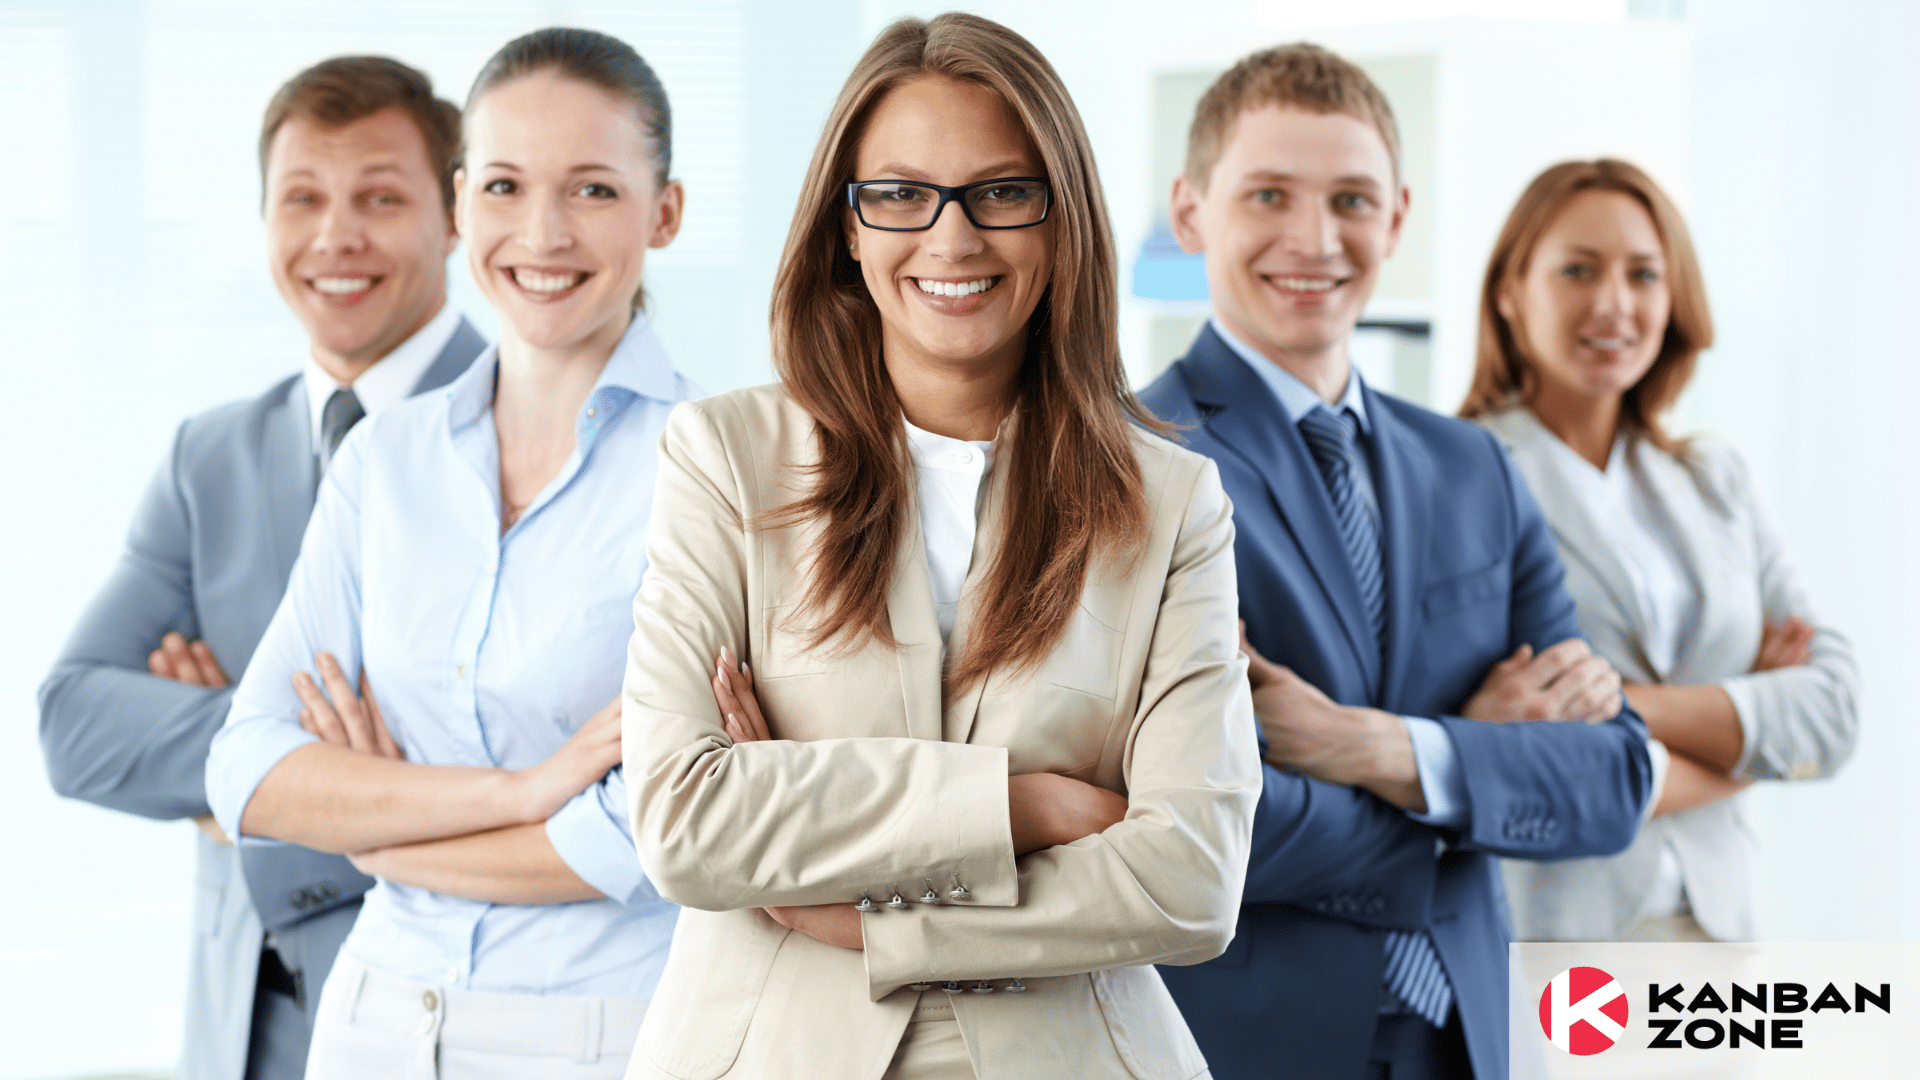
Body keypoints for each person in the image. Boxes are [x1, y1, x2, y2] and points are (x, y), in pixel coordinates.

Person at [619, 13, 1258, 1080]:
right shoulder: (725, 457)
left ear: (1061, 223)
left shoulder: (1175, 502)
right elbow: (685, 819)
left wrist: (879, 924)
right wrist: (1025, 804)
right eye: (901, 194)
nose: (952, 239)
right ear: (848, 228)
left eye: (1002, 193)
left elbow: (1190, 881)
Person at [1138, 44, 1656, 1079]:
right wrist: (1471, 771)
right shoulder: (1130, 462)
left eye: (1352, 200)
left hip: (1471, 1036)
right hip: (1244, 1047)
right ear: (1192, 213)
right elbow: (1198, 825)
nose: (1315, 239)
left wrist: (1372, 747)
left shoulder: (1475, 466)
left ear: (1399, 218)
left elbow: (1615, 779)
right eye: (1270, 195)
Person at [204, 28, 695, 1077]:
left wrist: (377, 830)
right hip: (371, 1020)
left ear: (666, 212)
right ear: (463, 203)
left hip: (610, 1031)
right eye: (507, 186)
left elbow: (656, 833)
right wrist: (519, 795)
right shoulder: (387, 462)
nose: (544, 232)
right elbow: (247, 768)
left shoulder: (723, 468)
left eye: (596, 190)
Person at [37, 56, 484, 1080]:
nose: (337, 236)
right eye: (303, 199)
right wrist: (314, 757)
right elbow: (72, 724)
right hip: (238, 1027)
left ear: (455, 215)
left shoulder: (531, 429)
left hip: (447, 1019)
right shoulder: (212, 454)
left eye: (380, 196)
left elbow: (540, 779)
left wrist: (238, 792)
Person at [1463, 159, 1859, 943]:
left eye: (1644, 274)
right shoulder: (1458, 474)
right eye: (1578, 269)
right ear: (1511, 291)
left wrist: (1615, 706)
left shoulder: (1714, 478)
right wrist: (1747, 727)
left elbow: (1833, 710)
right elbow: (1506, 752)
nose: (1613, 303)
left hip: (1720, 929)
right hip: (1556, 932)